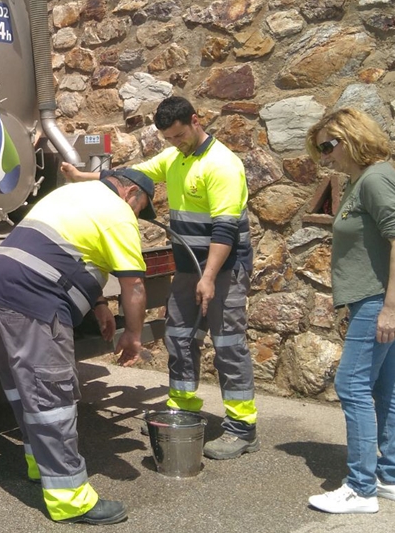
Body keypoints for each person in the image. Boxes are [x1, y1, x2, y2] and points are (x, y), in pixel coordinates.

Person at [62, 96, 258, 460]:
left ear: (196, 121)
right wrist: (82, 177)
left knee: (228, 344)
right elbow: (129, 179)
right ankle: (183, 410)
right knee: (180, 338)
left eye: (180, 135)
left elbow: (225, 231)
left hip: (224, 268)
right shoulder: (173, 157)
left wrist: (210, 277)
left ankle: (241, 427)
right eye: (169, 138)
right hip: (187, 269)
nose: (175, 143)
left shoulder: (222, 165)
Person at [0, 168, 154, 525]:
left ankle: (39, 464)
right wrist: (133, 335)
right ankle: (69, 498)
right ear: (130, 193)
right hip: (33, 295)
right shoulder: (119, 214)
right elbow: (133, 285)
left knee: (23, 386)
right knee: (51, 394)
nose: (137, 216)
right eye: (140, 208)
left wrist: (99, 304)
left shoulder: (74, 195)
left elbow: (70, 250)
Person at [304, 108, 395, 514]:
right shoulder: (359, 181)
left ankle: (360, 488)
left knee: (351, 386)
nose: (324, 157)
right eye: (319, 150)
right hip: (372, 298)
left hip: (379, 300)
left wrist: (390, 309)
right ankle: (390, 478)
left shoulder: (374, 178)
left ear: (351, 137)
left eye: (328, 146)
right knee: (384, 386)